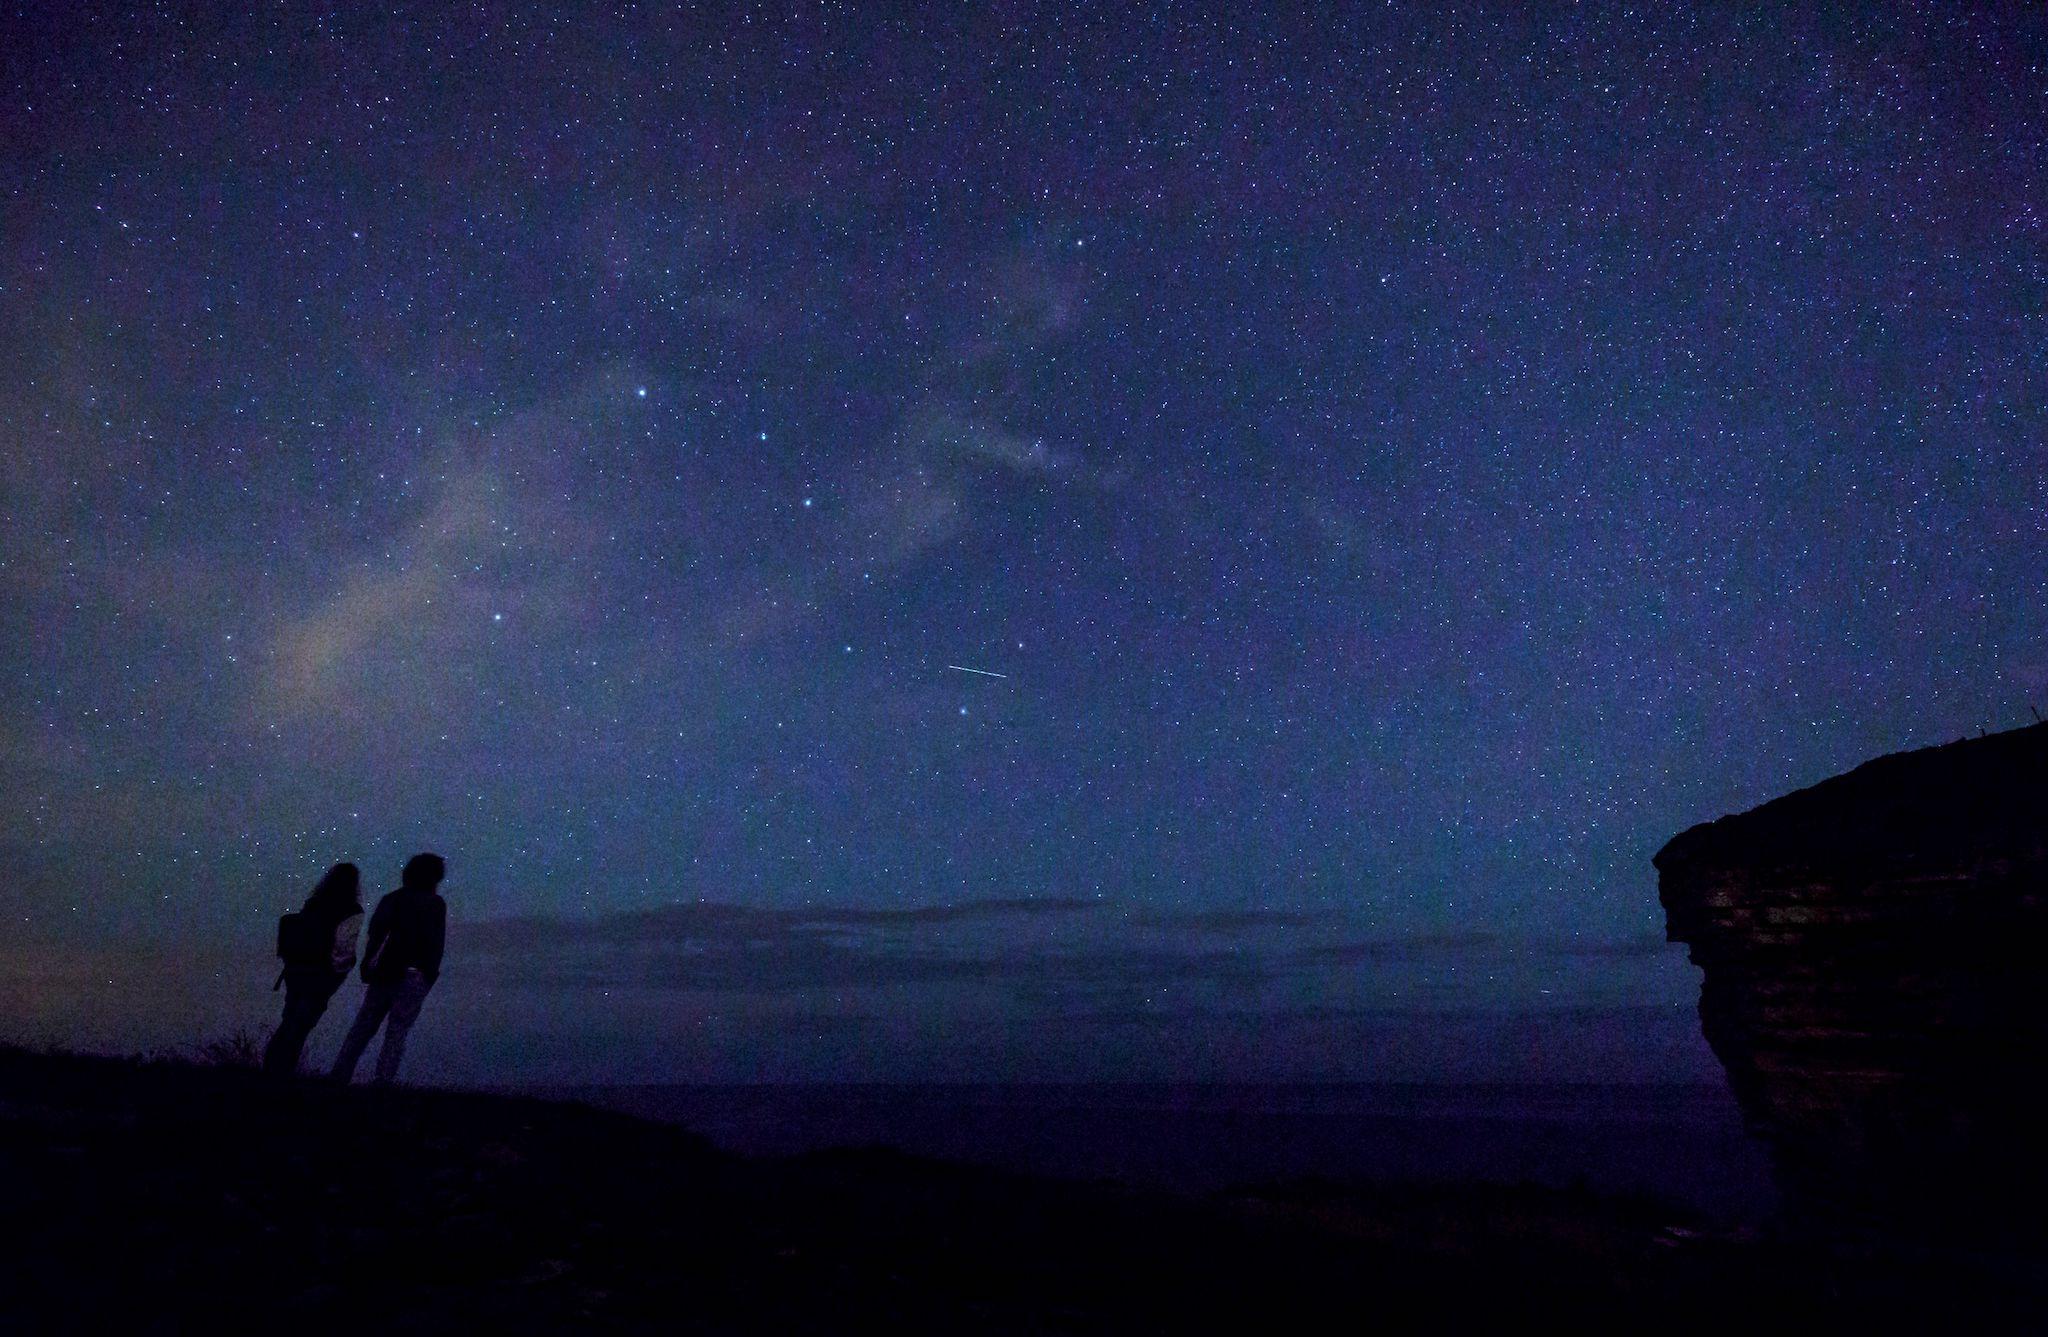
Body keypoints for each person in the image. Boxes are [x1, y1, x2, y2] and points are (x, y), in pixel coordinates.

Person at [330, 852, 448, 1085]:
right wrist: (429, 974)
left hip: (385, 970)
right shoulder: (435, 903)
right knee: (397, 1031)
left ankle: (339, 1075)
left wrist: (368, 964)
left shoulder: (392, 899)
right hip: (415, 975)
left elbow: (375, 935)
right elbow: (435, 942)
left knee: (363, 1028)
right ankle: (383, 1081)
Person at [263, 862, 364, 1075]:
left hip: (296, 969)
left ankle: (271, 1067)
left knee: (290, 1018)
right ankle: (282, 1071)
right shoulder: (352, 910)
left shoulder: (314, 903)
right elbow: (344, 946)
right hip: (322, 974)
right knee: (303, 1023)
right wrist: (341, 972)